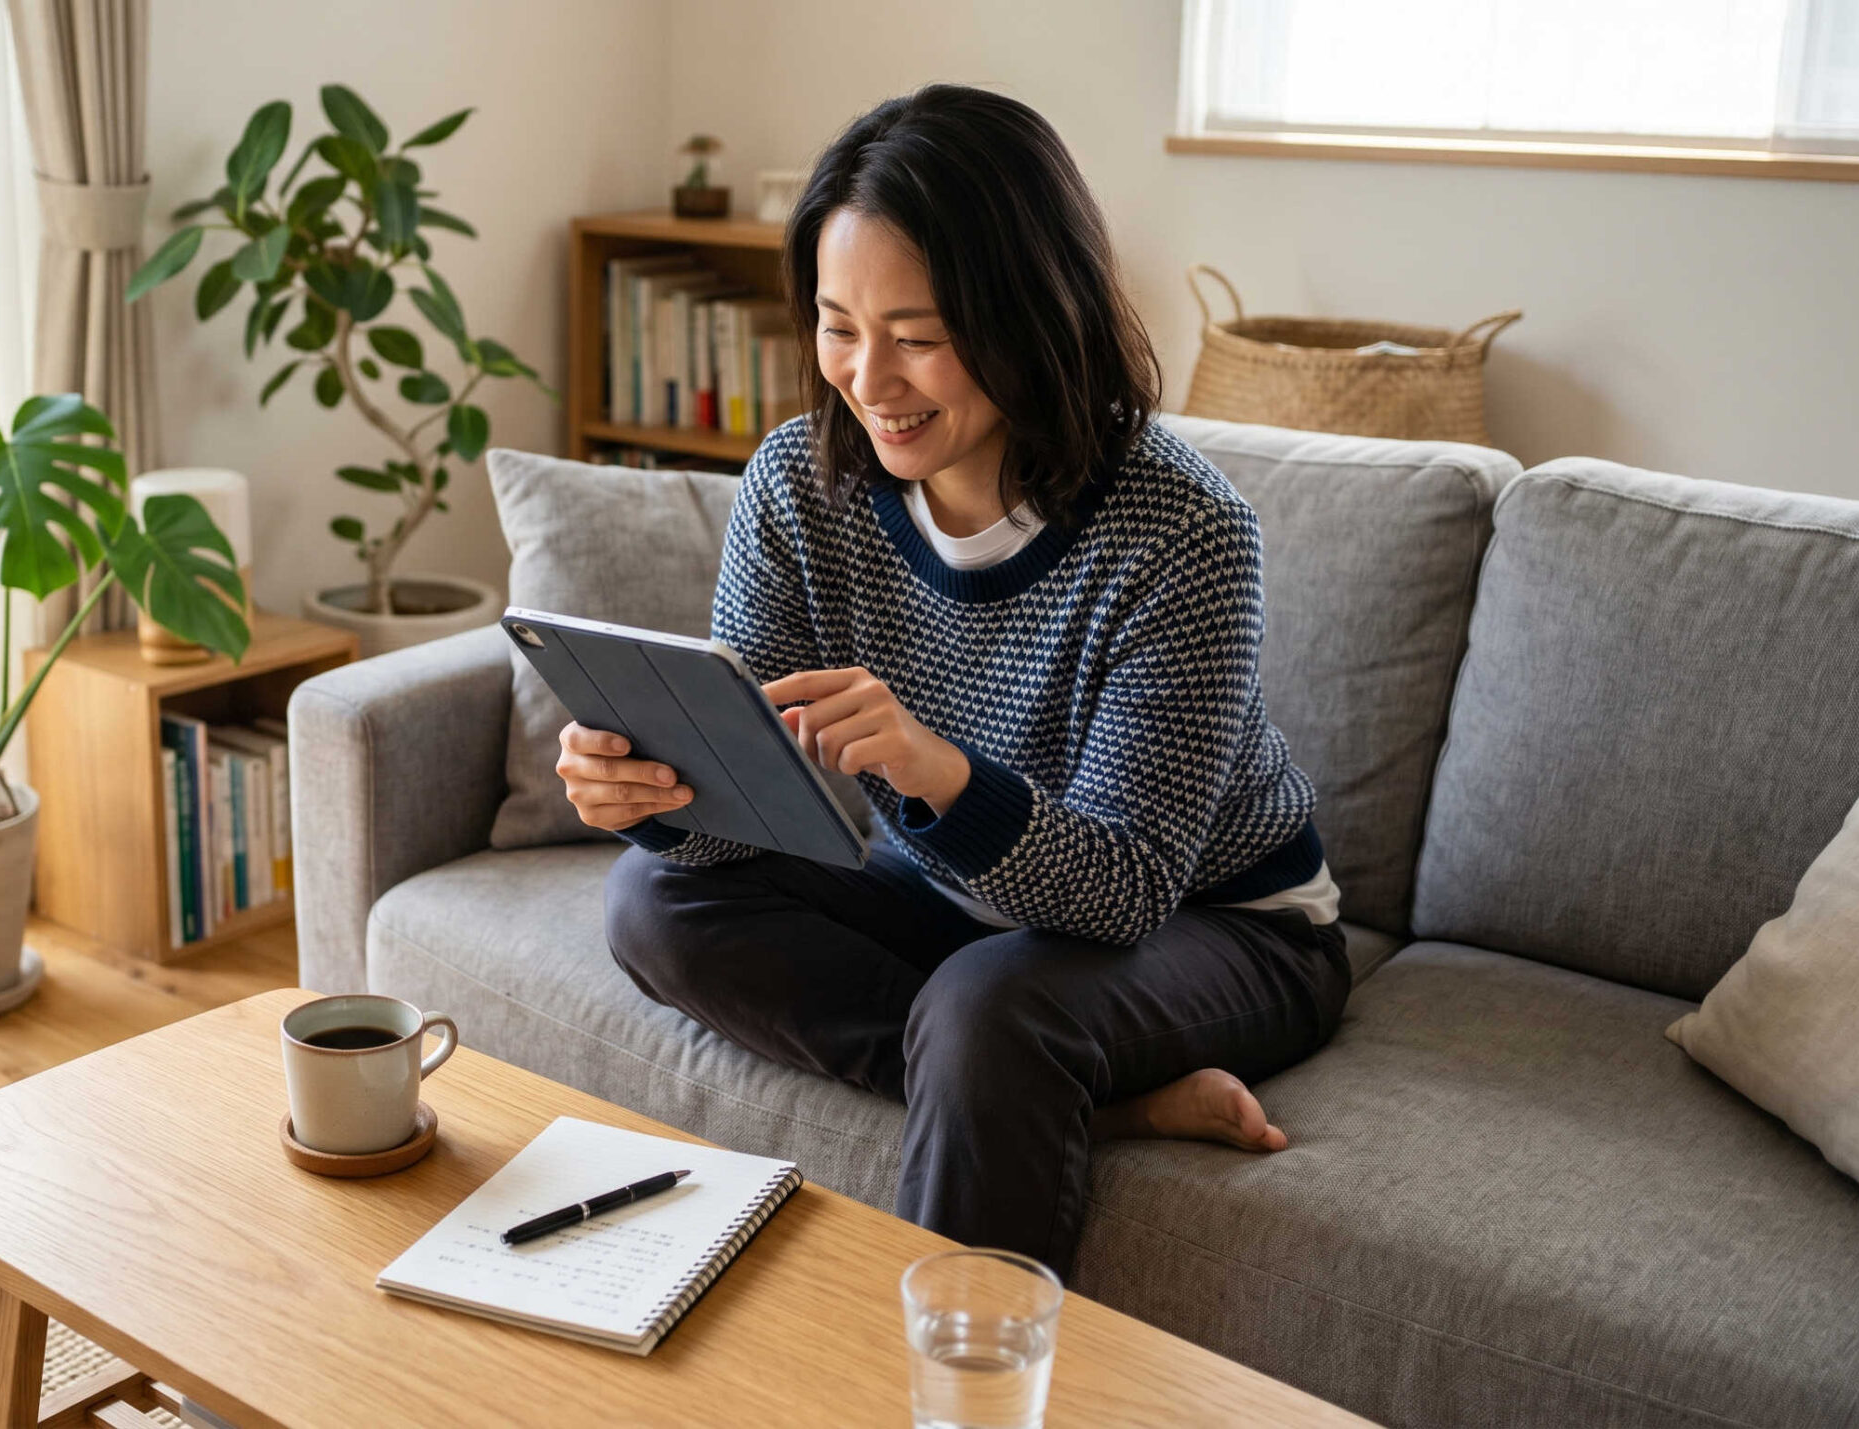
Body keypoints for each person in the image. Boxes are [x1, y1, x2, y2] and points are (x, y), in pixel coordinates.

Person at [570, 84, 1350, 1279]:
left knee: (990, 1007)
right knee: (651, 900)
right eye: (837, 325)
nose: (868, 377)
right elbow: (761, 816)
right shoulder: (797, 486)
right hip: (958, 899)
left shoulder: (1182, 532)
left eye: (918, 335)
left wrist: (935, 770)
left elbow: (1125, 889)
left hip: (1223, 923)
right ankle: (1083, 1105)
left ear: (1030, 313)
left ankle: (955, 1340)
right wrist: (664, 795)